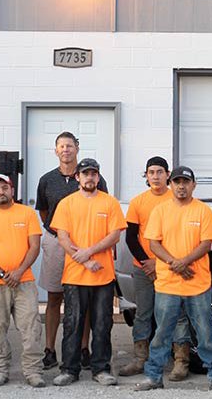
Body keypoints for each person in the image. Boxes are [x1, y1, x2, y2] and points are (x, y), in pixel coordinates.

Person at [136, 166, 212, 393]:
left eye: (185, 182)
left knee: (206, 333)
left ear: (193, 185)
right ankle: (154, 376)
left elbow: (206, 244)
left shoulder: (203, 211)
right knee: (162, 333)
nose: (181, 186)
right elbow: (153, 244)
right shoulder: (160, 211)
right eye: (177, 182)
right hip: (168, 284)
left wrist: (184, 261)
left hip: (197, 285)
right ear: (171, 184)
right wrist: (175, 263)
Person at [49, 158, 126, 387]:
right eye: (85, 174)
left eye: (93, 174)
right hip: (74, 275)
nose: (90, 177)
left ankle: (100, 368)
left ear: (98, 177)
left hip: (103, 275)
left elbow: (115, 235)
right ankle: (69, 369)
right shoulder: (67, 203)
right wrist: (83, 261)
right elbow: (62, 237)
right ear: (77, 177)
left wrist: (89, 253)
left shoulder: (110, 203)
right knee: (73, 323)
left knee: (102, 323)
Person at [36, 131, 107, 370]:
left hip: (87, 245)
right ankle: (50, 349)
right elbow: (45, 212)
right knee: (55, 296)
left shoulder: (94, 177)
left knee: (83, 298)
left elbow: (102, 206)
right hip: (57, 241)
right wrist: (60, 234)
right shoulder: (47, 180)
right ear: (56, 151)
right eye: (61, 146)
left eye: (69, 146)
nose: (65, 150)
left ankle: (83, 348)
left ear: (77, 148)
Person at [119, 156, 191, 380]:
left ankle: (180, 361)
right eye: (151, 172)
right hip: (144, 268)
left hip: (170, 267)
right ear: (146, 176)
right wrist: (146, 262)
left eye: (160, 171)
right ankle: (140, 358)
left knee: (177, 314)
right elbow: (131, 238)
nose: (156, 176)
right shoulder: (138, 202)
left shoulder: (178, 198)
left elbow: (183, 234)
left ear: (168, 175)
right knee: (143, 313)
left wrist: (164, 262)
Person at [0, 174, 46, 388]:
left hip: (24, 281)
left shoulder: (27, 214)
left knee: (31, 327)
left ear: (12, 190)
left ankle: (33, 371)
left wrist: (19, 271)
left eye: (4, 188)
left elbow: (34, 246)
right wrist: (3, 274)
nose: (1, 192)